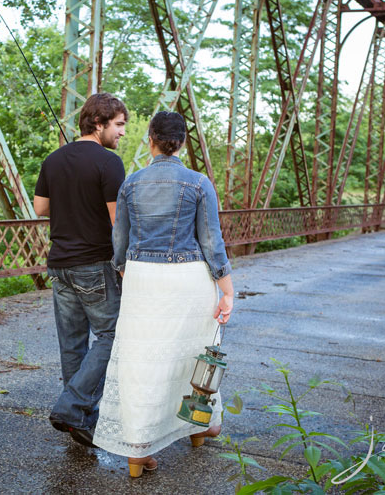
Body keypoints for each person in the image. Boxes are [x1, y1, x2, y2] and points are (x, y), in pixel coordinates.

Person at [92, 111, 234, 477]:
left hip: (144, 280)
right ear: (182, 143)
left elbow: (119, 240)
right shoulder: (199, 183)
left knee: (142, 363)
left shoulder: (131, 184)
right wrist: (227, 290)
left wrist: (128, 269)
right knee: (193, 355)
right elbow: (211, 242)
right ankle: (200, 424)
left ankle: (138, 452)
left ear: (151, 141)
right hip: (188, 280)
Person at [33, 93, 128, 448]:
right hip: (94, 263)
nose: (122, 133)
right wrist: (124, 267)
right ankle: (72, 407)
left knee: (72, 344)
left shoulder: (53, 159)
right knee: (113, 335)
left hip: (59, 264)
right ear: (99, 123)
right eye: (118, 125)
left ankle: (79, 422)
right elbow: (118, 222)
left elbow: (41, 207)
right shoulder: (108, 162)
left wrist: (70, 193)